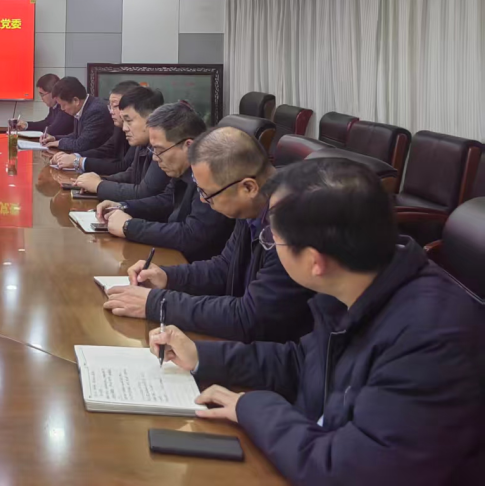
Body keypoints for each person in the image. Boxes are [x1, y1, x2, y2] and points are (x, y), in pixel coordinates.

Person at [150, 159, 485, 486]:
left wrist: (255, 408)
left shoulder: (431, 337)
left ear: (315, 261)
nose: (270, 245)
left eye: (273, 239)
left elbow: (349, 471)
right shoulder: (355, 280)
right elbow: (304, 362)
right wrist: (203, 356)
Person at [102, 127, 314, 343]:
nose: (203, 200)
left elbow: (250, 318)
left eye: (207, 193)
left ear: (248, 187)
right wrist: (167, 277)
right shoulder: (253, 206)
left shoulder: (290, 227)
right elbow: (224, 267)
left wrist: (156, 304)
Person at [96, 102, 233, 262]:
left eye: (160, 150)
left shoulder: (212, 174)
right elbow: (166, 200)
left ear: (188, 146)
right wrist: (122, 206)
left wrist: (129, 226)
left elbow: (191, 235)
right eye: (153, 150)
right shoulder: (183, 168)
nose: (155, 158)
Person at [57, 86, 166, 196]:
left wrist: (99, 185)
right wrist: (97, 181)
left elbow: (145, 192)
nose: (125, 128)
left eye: (129, 121)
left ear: (151, 119)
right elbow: (131, 174)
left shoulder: (162, 147)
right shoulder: (142, 141)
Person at [51, 81, 138, 175]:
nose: (111, 112)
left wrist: (78, 161)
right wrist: (75, 156)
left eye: (116, 106)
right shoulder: (118, 125)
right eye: (110, 107)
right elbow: (107, 149)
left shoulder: (96, 110)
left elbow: (124, 166)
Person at [40, 76, 114, 154]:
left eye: (63, 105)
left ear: (75, 101)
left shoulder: (95, 111)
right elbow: (76, 135)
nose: (62, 109)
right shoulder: (82, 107)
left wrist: (58, 143)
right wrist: (54, 138)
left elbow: (81, 145)